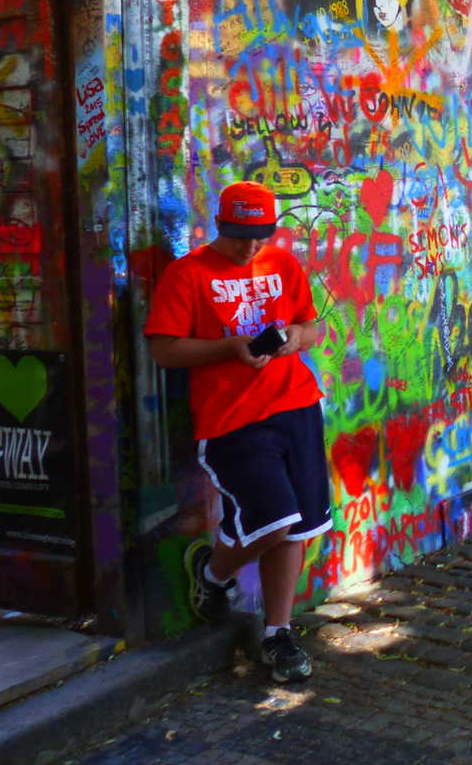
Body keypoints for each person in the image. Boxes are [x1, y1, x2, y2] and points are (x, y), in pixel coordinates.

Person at [145, 182, 327, 683]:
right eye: (241, 236)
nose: (251, 247)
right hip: (231, 418)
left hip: (297, 404)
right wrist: (230, 347)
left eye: (261, 236)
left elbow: (313, 328)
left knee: (299, 525)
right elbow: (164, 350)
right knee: (275, 519)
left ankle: (277, 634)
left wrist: (296, 338)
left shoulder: (283, 264)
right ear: (220, 225)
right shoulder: (188, 274)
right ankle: (213, 573)